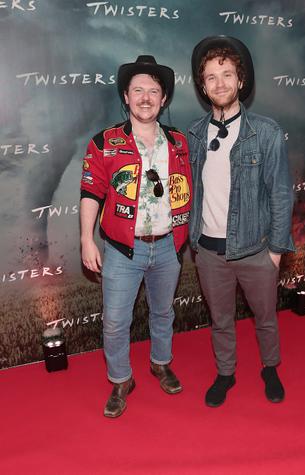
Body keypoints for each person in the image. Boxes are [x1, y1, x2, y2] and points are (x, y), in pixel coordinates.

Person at [80, 55, 192, 418]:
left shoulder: (179, 142)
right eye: (138, 90)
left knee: (163, 312)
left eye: (154, 91)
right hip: (121, 251)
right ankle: (121, 379)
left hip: (168, 246)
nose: (146, 97)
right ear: (125, 97)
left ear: (164, 99)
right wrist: (86, 239)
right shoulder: (104, 142)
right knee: (115, 320)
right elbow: (90, 192)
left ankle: (161, 362)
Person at [188, 36, 295, 407]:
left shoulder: (265, 132)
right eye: (211, 77)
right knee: (220, 321)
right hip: (209, 251)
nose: (220, 83)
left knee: (265, 318)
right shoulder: (194, 135)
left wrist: (277, 252)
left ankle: (270, 368)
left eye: (227, 74)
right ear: (203, 86)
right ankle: (226, 373)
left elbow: (281, 193)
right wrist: (195, 245)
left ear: (241, 80)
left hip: (255, 250)